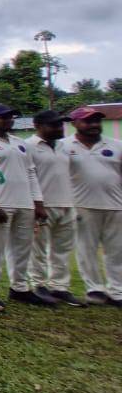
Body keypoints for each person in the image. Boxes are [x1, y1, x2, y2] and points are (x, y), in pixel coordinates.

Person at [0, 105, 53, 308]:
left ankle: (19, 288)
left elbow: (31, 172)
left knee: (22, 248)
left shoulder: (20, 143)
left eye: (11, 117)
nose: (9, 120)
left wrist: (38, 202)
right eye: (4, 117)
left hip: (24, 203)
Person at [61, 106, 122, 306]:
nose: (94, 125)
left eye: (97, 121)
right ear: (74, 124)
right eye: (88, 121)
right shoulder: (63, 146)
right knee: (86, 250)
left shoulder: (116, 145)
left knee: (117, 251)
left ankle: (117, 291)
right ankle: (94, 289)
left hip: (116, 205)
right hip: (82, 206)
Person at [25, 110, 86, 306]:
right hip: (42, 205)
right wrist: (36, 204)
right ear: (38, 126)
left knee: (62, 249)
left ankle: (60, 287)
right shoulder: (28, 147)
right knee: (39, 249)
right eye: (54, 125)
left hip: (67, 204)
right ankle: (39, 285)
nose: (59, 128)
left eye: (61, 125)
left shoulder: (64, 147)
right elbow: (27, 177)